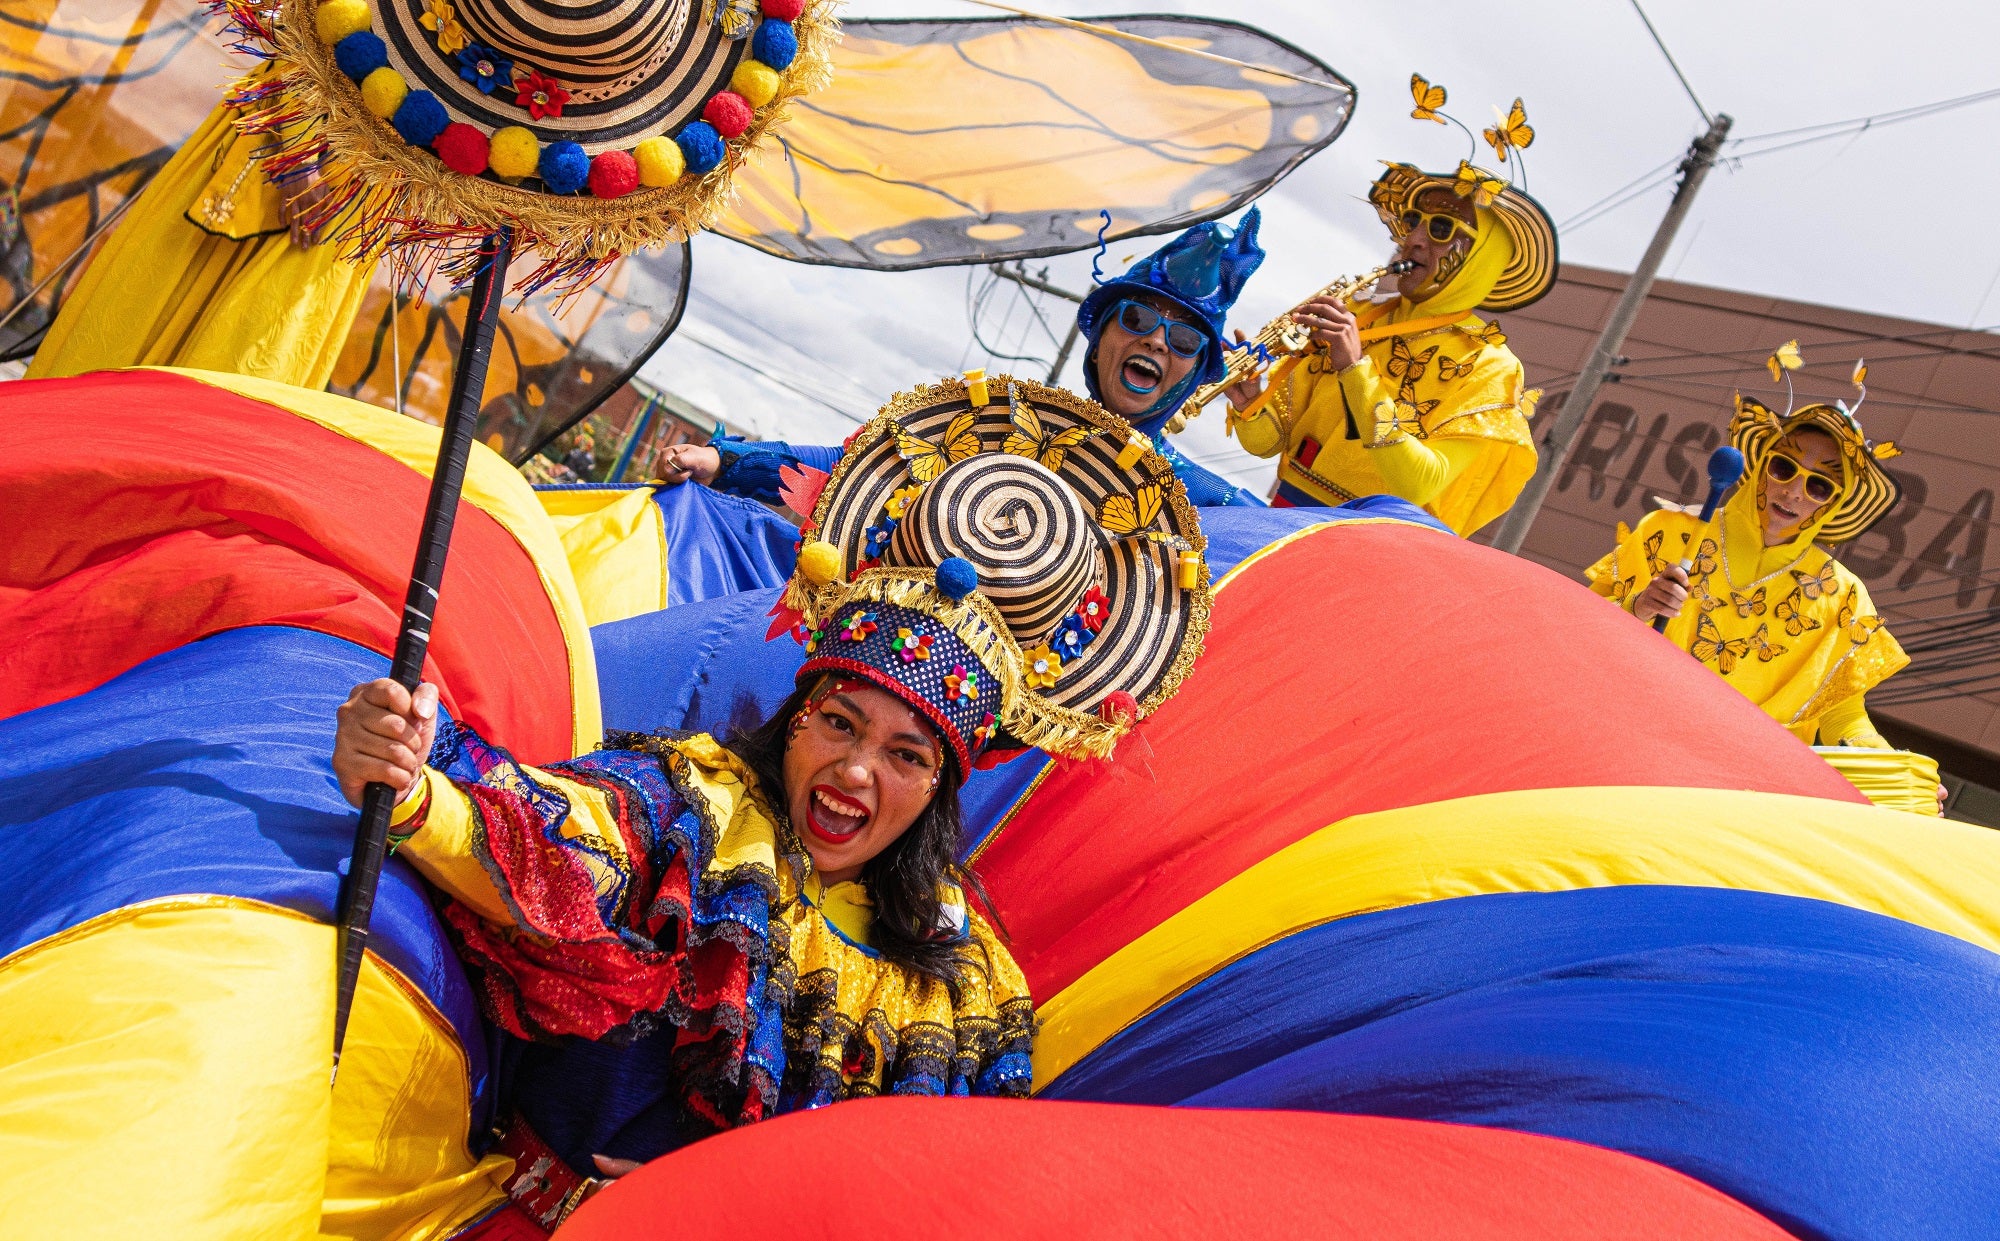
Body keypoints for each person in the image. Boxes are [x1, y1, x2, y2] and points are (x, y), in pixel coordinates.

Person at [331, 376, 1211, 1232]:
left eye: (905, 755)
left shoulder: (964, 977)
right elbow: (539, 848)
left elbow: (950, 1190)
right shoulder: (692, 806)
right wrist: (411, 781)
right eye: (839, 722)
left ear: (942, 785)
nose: (856, 770)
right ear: (795, 720)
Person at [658, 210, 1271, 508]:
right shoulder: (1005, 423)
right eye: (1138, 320)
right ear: (1102, 334)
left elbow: (1295, 561)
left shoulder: (1207, 504)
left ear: (1195, 372)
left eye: (1185, 340)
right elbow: (861, 465)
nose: (1158, 343)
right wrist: (725, 460)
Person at [1222, 159, 1554, 531]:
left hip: (1366, 550)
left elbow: (1418, 483)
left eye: (1442, 229)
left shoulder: (1492, 367)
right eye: (1413, 222)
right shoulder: (1360, 314)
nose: (1413, 239)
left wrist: (1354, 368)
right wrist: (1250, 402)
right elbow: (1267, 443)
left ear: (1483, 259)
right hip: (1279, 519)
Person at [1588, 393, 1914, 758]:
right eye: (1783, 468)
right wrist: (1640, 607)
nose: (1793, 492)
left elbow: (1843, 716)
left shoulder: (1843, 596)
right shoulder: (1670, 532)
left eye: (1819, 485)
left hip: (1733, 777)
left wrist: (1897, 773)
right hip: (1623, 741)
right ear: (1760, 465)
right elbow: (1581, 625)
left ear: (1835, 501)